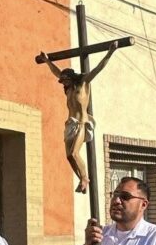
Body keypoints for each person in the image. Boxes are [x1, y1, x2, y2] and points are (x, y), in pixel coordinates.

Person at [40, 42, 118, 193]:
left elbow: (98, 69)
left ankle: (84, 178)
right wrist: (47, 61)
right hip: (70, 123)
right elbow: (56, 72)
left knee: (75, 153)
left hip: (82, 123)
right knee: (69, 156)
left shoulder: (83, 82)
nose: (63, 83)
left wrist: (110, 52)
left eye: (65, 80)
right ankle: (82, 179)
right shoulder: (68, 89)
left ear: (70, 77)